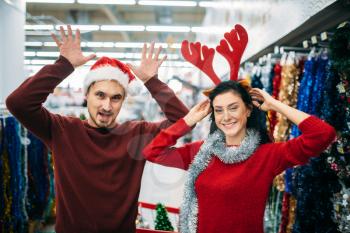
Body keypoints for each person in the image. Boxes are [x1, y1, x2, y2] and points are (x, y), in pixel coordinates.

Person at [6, 25, 188, 233]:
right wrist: (63, 65)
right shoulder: (62, 130)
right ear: (87, 95)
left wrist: (151, 82)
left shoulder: (137, 135)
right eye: (100, 95)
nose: (107, 106)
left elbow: (183, 120)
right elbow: (18, 103)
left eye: (116, 98)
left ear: (123, 101)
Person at [143, 80, 337, 233]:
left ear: (248, 110)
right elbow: (152, 152)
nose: (226, 117)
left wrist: (275, 105)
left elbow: (323, 135)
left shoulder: (268, 155)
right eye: (219, 110)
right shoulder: (201, 152)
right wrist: (188, 121)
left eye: (233, 107)